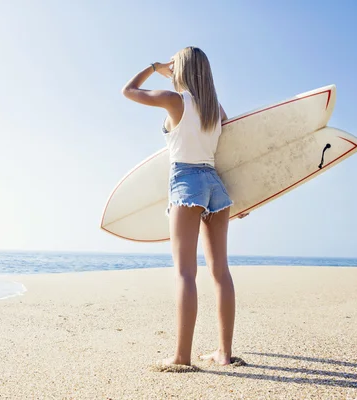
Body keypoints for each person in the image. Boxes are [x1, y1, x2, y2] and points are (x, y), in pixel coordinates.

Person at [122, 46, 245, 367]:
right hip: (215, 184)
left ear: (181, 70)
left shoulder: (175, 101)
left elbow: (128, 91)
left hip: (186, 182)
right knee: (220, 273)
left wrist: (154, 66)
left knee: (185, 273)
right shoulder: (214, 109)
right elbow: (233, 148)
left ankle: (182, 357)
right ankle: (224, 353)